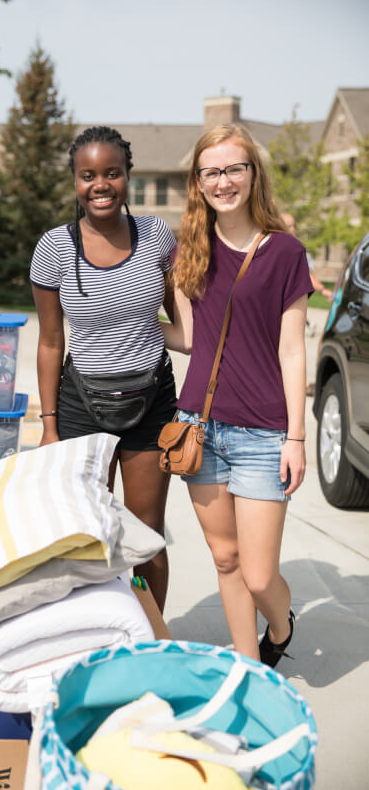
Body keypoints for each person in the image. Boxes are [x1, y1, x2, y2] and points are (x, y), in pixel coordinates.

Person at [170, 123, 314, 665]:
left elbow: (292, 350)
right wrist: (117, 320)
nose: (223, 181)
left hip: (262, 431)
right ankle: (248, 665)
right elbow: (187, 336)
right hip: (198, 428)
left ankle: (280, 623)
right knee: (225, 560)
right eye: (212, 171)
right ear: (198, 182)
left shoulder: (285, 252)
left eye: (235, 168)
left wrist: (295, 439)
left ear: (253, 174)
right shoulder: (189, 249)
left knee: (257, 573)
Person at [30, 126, 190, 612]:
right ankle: (95, 638)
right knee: (88, 536)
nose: (100, 184)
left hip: (151, 403)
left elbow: (183, 322)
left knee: (147, 534)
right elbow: (51, 341)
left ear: (127, 177)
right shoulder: (54, 248)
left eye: (111, 173)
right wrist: (49, 426)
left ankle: (151, 638)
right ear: (75, 182)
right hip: (82, 409)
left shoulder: (158, 237)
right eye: (88, 175)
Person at [280, 213, 333, 338]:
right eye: (289, 226)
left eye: (293, 226)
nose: (293, 229)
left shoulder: (295, 249)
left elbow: (307, 275)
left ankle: (309, 324)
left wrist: (323, 290)